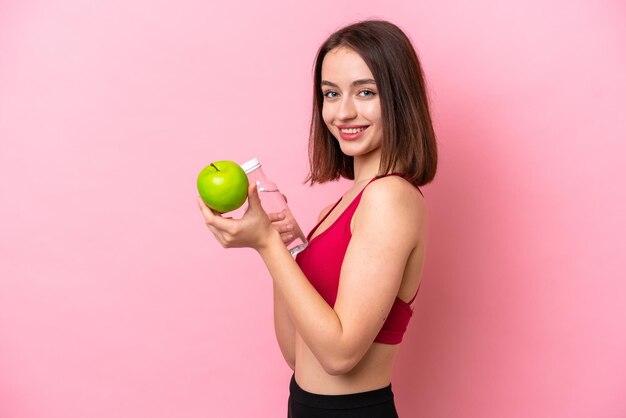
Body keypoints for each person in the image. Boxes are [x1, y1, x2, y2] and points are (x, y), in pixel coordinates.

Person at [197, 19, 437, 418]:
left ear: (398, 98)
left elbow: (339, 356)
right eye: (330, 93)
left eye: (365, 92)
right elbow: (297, 354)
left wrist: (266, 244)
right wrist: (285, 248)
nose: (343, 112)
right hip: (305, 405)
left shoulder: (390, 198)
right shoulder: (339, 208)